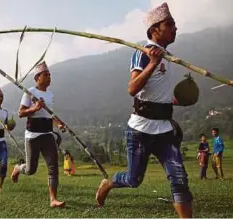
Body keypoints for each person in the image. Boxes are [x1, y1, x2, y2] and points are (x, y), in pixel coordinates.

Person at [95, 3, 193, 218]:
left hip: (165, 130)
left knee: (179, 179)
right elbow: (132, 89)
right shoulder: (143, 53)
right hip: (140, 130)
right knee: (133, 179)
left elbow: (157, 93)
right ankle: (108, 183)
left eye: (174, 24)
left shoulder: (169, 56)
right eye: (170, 24)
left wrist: (174, 100)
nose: (175, 28)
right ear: (154, 29)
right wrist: (153, 63)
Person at [11, 61, 66, 208]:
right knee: (31, 170)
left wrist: (58, 124)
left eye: (50, 75)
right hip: (33, 136)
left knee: (53, 166)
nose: (49, 77)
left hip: (48, 134)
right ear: (37, 77)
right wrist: (34, 108)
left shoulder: (50, 95)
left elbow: (50, 115)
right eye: (45, 75)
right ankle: (18, 168)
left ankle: (53, 199)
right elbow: (21, 113)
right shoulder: (30, 92)